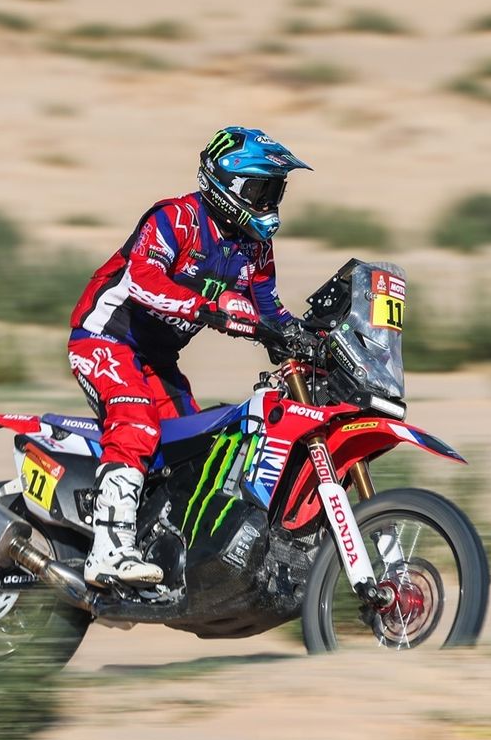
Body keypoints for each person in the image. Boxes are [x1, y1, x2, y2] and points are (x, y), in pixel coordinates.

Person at [68, 126, 310, 588]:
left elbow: (269, 309)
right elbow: (142, 279)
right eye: (260, 190)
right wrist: (211, 306)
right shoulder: (175, 218)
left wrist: (307, 337)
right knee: (136, 421)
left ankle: (166, 552)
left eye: (275, 190)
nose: (269, 202)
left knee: (192, 451)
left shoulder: (255, 247)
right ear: (226, 186)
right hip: (105, 338)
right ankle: (107, 553)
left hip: (158, 360)